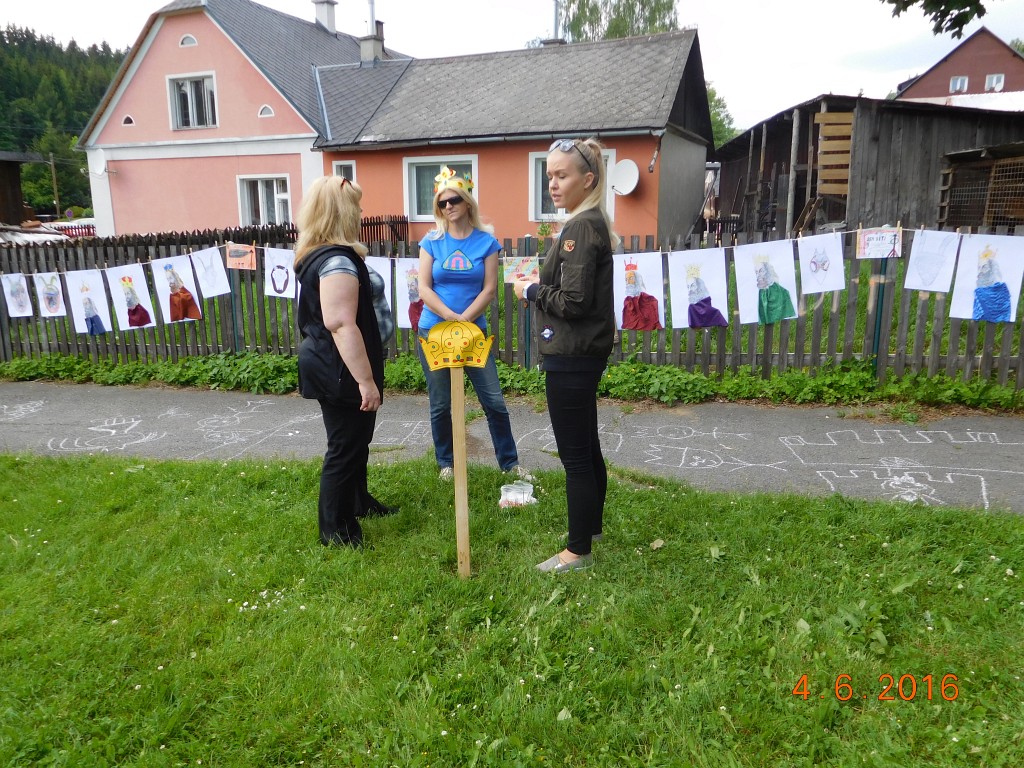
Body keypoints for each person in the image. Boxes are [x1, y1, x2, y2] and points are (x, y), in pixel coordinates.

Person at [514, 138, 617, 573]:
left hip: (572, 355)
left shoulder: (581, 228)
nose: (553, 184)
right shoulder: (589, 222)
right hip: (581, 353)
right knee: (587, 447)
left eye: (562, 175)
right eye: (549, 176)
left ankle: (577, 552)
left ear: (587, 180)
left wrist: (531, 291)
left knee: (575, 456)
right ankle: (590, 529)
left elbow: (574, 302)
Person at [294, 175, 397, 548]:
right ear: (341, 212)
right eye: (356, 206)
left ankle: (358, 501)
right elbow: (340, 324)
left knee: (357, 439)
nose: (361, 211)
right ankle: (335, 530)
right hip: (341, 368)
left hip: (339, 364)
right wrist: (365, 382)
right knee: (344, 445)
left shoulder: (328, 253)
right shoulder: (337, 261)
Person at [417, 166, 531, 482]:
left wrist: (464, 320)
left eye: (454, 200)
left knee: (493, 400)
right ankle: (446, 463)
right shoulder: (431, 241)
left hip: (473, 333)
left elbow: (489, 289)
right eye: (442, 203)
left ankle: (509, 463)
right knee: (441, 403)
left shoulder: (486, 242)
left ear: (467, 203)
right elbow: (424, 288)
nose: (448, 206)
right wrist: (449, 316)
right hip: (434, 331)